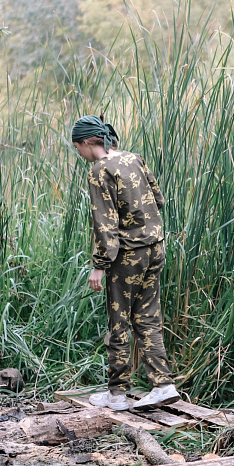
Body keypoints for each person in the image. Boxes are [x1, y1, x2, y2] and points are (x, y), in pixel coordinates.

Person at [72, 115, 181, 411]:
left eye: (77, 147)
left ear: (86, 142)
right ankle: (163, 385)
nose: (78, 153)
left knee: (119, 322)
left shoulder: (99, 170)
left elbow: (104, 223)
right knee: (148, 318)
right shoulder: (134, 158)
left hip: (128, 256)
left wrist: (99, 265)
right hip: (155, 248)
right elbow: (158, 199)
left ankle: (117, 394)